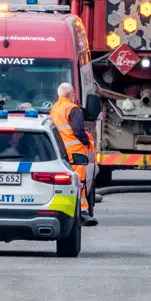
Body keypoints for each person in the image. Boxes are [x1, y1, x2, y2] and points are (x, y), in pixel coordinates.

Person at [51, 83, 98, 227]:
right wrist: (86, 142)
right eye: (73, 93)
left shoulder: (54, 109)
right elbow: (78, 130)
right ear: (68, 94)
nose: (74, 96)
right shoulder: (72, 108)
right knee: (80, 182)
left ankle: (63, 209)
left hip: (59, 151)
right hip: (75, 152)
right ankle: (82, 212)